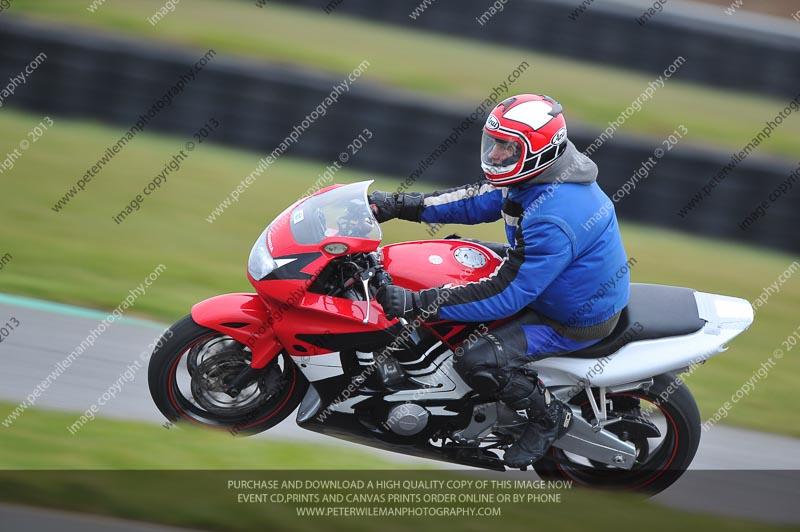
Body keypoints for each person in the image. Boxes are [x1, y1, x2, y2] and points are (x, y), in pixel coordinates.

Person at [370, 94, 631, 468]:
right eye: (493, 143)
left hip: (570, 316)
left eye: (506, 148)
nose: (494, 155)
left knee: (477, 359)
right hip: (548, 280)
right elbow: (473, 201)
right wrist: (398, 205)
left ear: (539, 151)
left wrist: (418, 301)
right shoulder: (537, 175)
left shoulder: (554, 215)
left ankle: (548, 418)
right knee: (450, 256)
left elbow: (508, 294)